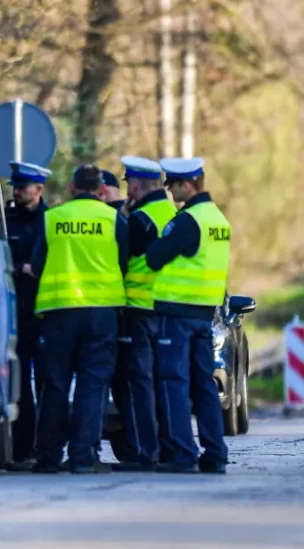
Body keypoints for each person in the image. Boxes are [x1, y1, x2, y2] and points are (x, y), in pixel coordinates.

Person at [30, 164, 128, 474]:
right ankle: (84, 456)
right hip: (101, 313)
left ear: (71, 188)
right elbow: (126, 261)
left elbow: (36, 265)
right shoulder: (114, 219)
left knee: (55, 384)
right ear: (101, 190)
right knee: (92, 384)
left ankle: (47, 457)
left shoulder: (52, 218)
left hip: (59, 312)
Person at [144, 157, 230, 474]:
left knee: (173, 382)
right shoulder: (218, 219)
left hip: (176, 312)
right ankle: (215, 452)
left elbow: (154, 258)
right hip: (204, 313)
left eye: (173, 185)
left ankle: (182, 453)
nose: (170, 190)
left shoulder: (187, 220)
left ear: (188, 184)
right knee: (203, 384)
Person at [109, 156, 175, 471]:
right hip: (168, 309)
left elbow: (119, 261)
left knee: (141, 384)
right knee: (168, 382)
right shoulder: (174, 214)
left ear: (136, 185)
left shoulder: (139, 220)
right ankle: (171, 447)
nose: (128, 192)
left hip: (138, 310)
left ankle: (147, 452)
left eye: (129, 185)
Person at [3, 161, 50, 469]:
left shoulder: (51, 221)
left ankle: (46, 448)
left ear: (39, 190)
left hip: (44, 313)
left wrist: (25, 268)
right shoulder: (6, 220)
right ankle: (22, 450)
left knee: (48, 383)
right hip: (14, 313)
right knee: (19, 386)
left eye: (22, 188)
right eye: (15, 188)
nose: (17, 192)